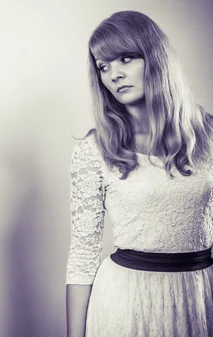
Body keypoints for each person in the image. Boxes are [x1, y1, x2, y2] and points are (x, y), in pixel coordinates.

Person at [65, 10, 213, 337]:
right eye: (103, 67)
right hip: (125, 302)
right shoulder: (94, 150)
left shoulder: (209, 135)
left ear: (155, 58)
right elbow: (82, 257)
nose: (114, 74)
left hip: (198, 295)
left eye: (126, 58)